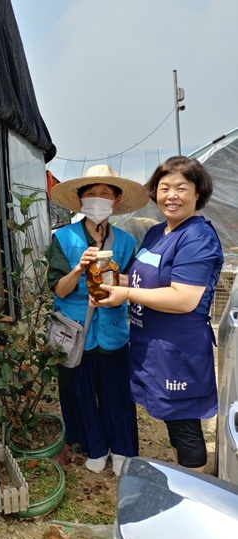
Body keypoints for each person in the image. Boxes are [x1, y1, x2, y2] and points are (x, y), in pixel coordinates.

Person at [99, 156, 223, 472]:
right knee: (170, 417)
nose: (171, 196)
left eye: (181, 188)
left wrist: (124, 294)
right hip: (152, 344)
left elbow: (184, 299)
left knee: (185, 426)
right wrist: (110, 278)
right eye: (164, 187)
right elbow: (143, 280)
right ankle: (180, 479)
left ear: (198, 193)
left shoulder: (198, 237)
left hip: (178, 348)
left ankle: (193, 493)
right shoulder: (157, 232)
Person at [48, 165, 149, 475]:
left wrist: (117, 280)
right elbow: (58, 288)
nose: (97, 200)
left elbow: (133, 283)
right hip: (76, 328)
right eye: (90, 194)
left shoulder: (125, 241)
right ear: (80, 201)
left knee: (116, 389)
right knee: (79, 389)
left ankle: (123, 449)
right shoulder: (63, 239)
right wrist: (79, 268)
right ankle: (95, 446)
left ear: (116, 201)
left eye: (104, 194)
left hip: (113, 327)